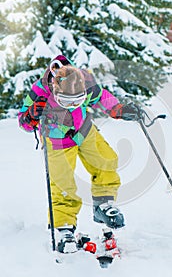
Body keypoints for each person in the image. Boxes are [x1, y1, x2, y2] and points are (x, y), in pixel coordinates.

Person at [18, 54, 140, 253]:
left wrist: (118, 109)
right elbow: (23, 121)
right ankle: (64, 227)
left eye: (78, 101)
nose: (74, 105)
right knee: (62, 182)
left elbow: (101, 96)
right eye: (67, 102)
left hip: (83, 129)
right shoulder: (40, 90)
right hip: (57, 138)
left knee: (105, 159)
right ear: (55, 91)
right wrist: (32, 113)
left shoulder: (84, 79)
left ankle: (103, 205)